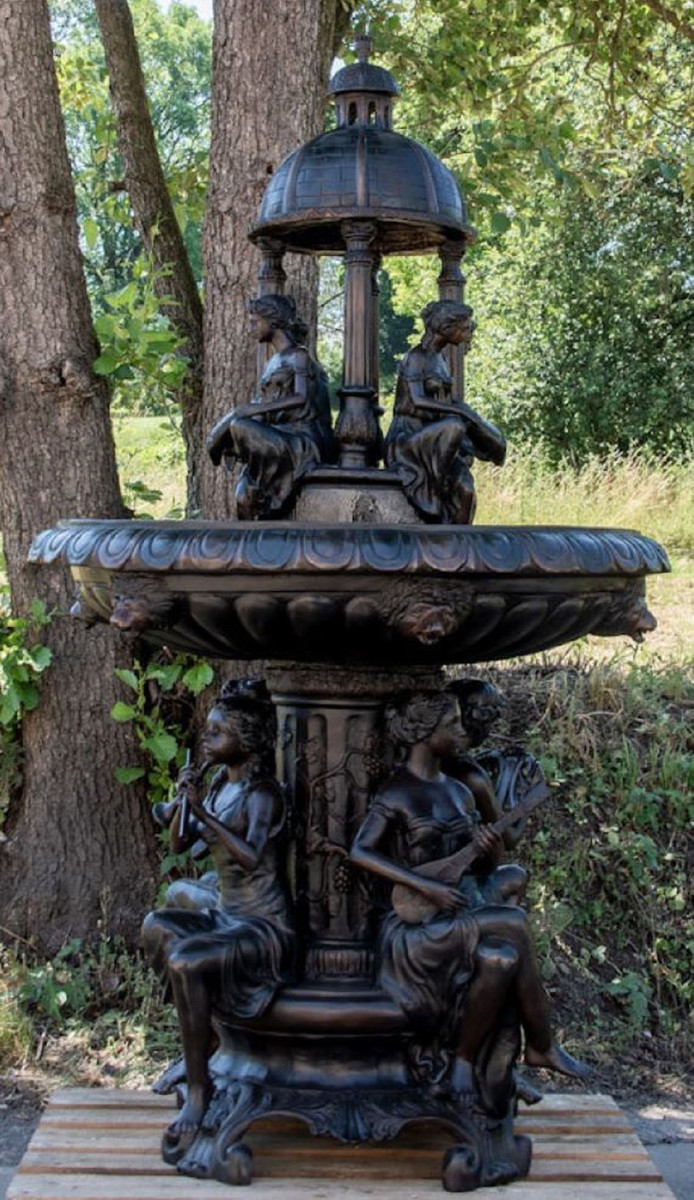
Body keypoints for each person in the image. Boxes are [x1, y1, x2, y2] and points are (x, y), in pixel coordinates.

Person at [349, 690, 587, 1105]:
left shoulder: (459, 792)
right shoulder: (397, 793)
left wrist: (488, 845)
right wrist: (425, 886)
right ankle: (542, 1045)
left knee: (502, 957)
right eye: (453, 724)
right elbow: (359, 851)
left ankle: (469, 1062)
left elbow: (482, 866)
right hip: (415, 925)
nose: (465, 732)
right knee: (513, 922)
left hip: (459, 906)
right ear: (425, 733)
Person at [141, 681, 294, 1139]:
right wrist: (186, 804)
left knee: (187, 961)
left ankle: (200, 1089)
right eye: (208, 731)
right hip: (227, 915)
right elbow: (180, 845)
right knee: (157, 926)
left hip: (261, 926)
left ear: (246, 740)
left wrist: (204, 817)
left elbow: (251, 857)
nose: (206, 739)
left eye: (216, 732)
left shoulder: (262, 794)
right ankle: (203, 1042)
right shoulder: (218, 786)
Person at [207, 294, 336, 519]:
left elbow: (301, 397)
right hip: (280, 434)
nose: (250, 329)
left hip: (302, 440)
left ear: (273, 322)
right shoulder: (273, 362)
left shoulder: (299, 356)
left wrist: (251, 411)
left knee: (239, 424)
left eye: (255, 322)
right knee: (244, 496)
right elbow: (264, 407)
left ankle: (222, 447)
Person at [385, 300, 506, 524]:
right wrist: (461, 411)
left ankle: (457, 542)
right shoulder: (416, 357)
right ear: (447, 327)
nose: (469, 333)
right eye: (465, 328)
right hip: (409, 439)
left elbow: (445, 403)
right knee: (455, 425)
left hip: (437, 437)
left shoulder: (441, 359)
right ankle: (436, 487)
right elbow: (418, 400)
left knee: (466, 490)